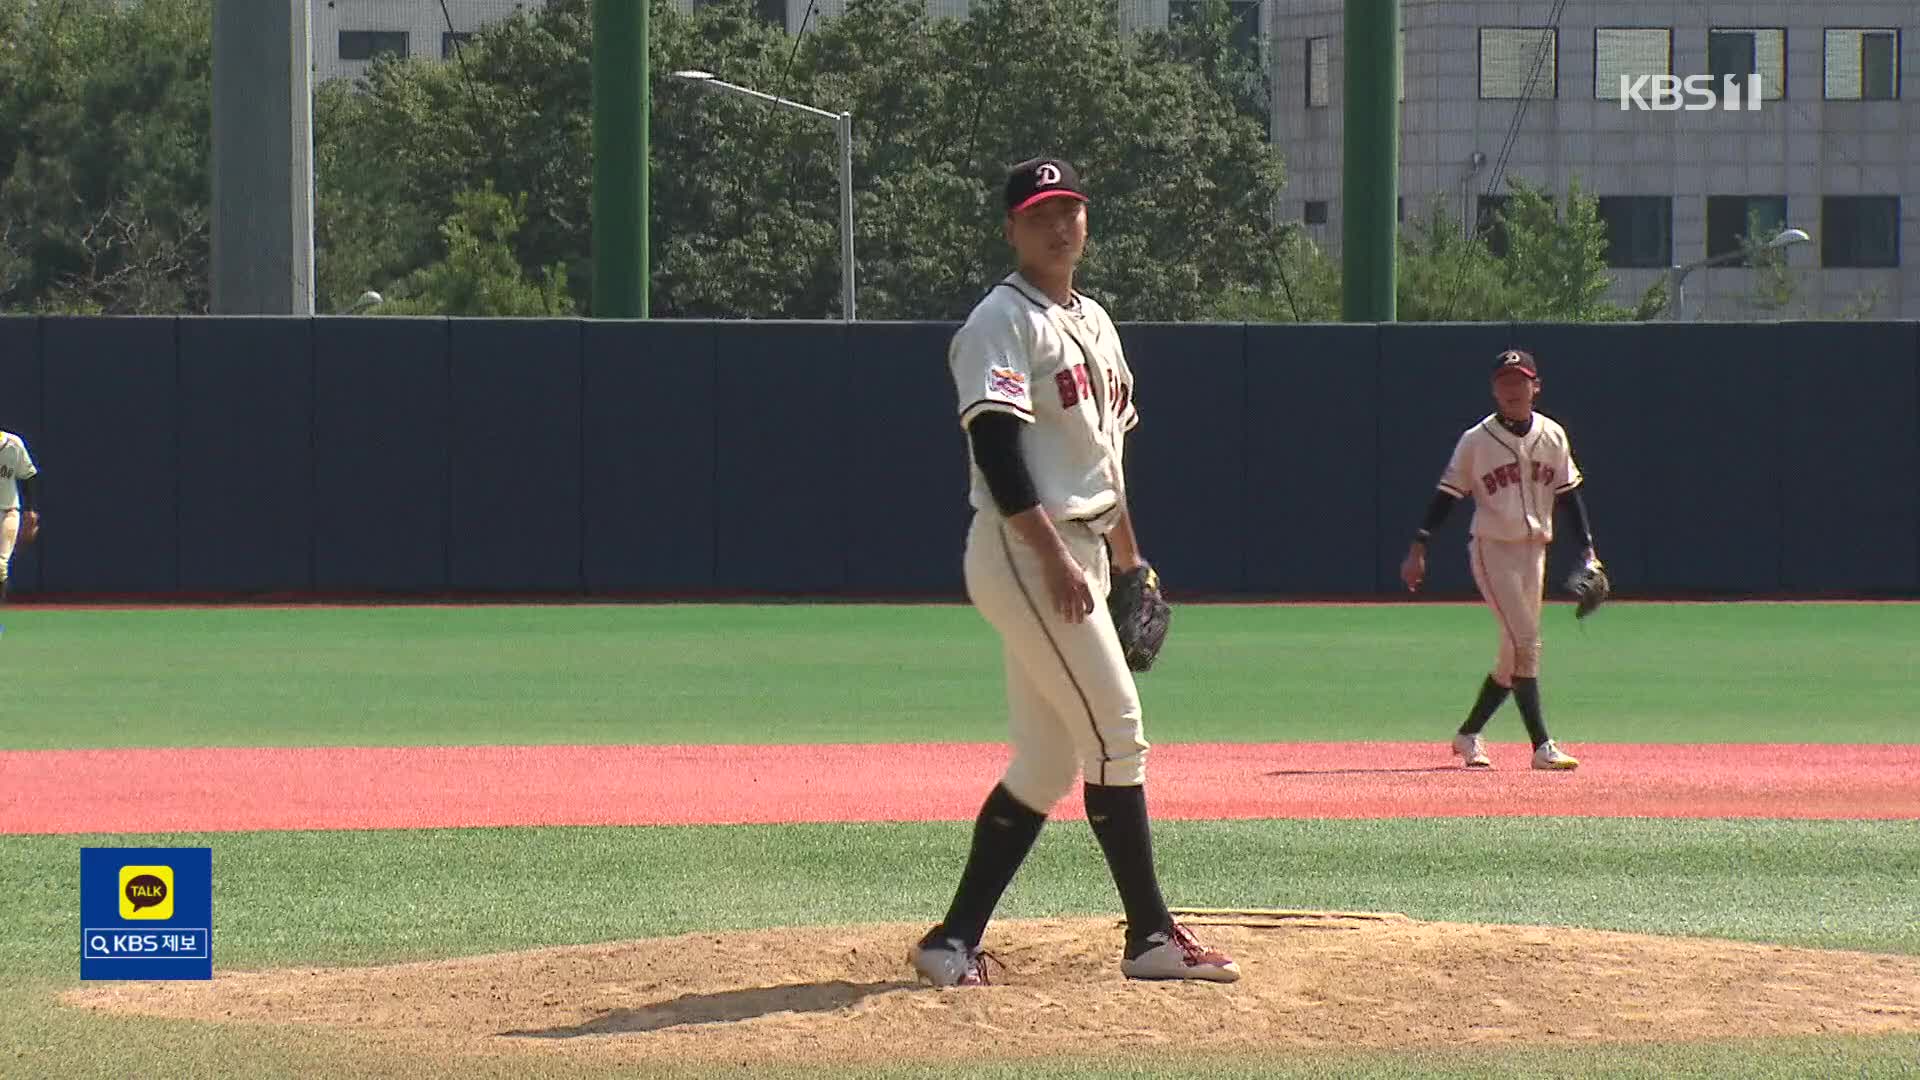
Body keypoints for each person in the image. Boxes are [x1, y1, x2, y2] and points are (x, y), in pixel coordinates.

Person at [909, 157, 1240, 987]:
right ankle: (1151, 937)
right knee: (1118, 729)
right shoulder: (1001, 320)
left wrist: (1131, 558)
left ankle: (950, 943)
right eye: (1039, 213)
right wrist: (1058, 561)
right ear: (1012, 228)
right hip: (1027, 549)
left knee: (1050, 762)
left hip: (1084, 544)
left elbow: (1107, 456)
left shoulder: (1094, 319)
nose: (1059, 225)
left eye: (1070, 210)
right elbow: (995, 446)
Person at [1399, 349, 1593, 771]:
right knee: (1526, 643)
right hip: (1493, 551)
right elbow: (1447, 496)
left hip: (1535, 552)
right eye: (1504, 382)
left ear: (1535, 387)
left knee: (1513, 655)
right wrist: (1419, 545)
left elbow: (1569, 494)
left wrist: (1588, 549)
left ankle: (1468, 735)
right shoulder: (1476, 441)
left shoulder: (1553, 435)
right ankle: (1542, 746)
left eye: (1519, 381)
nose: (1511, 390)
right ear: (1493, 390)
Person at [0, 429, 39, 601]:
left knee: (0, 566)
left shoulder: (13, 444)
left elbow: (28, 475)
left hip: (7, 511)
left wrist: (29, 510)